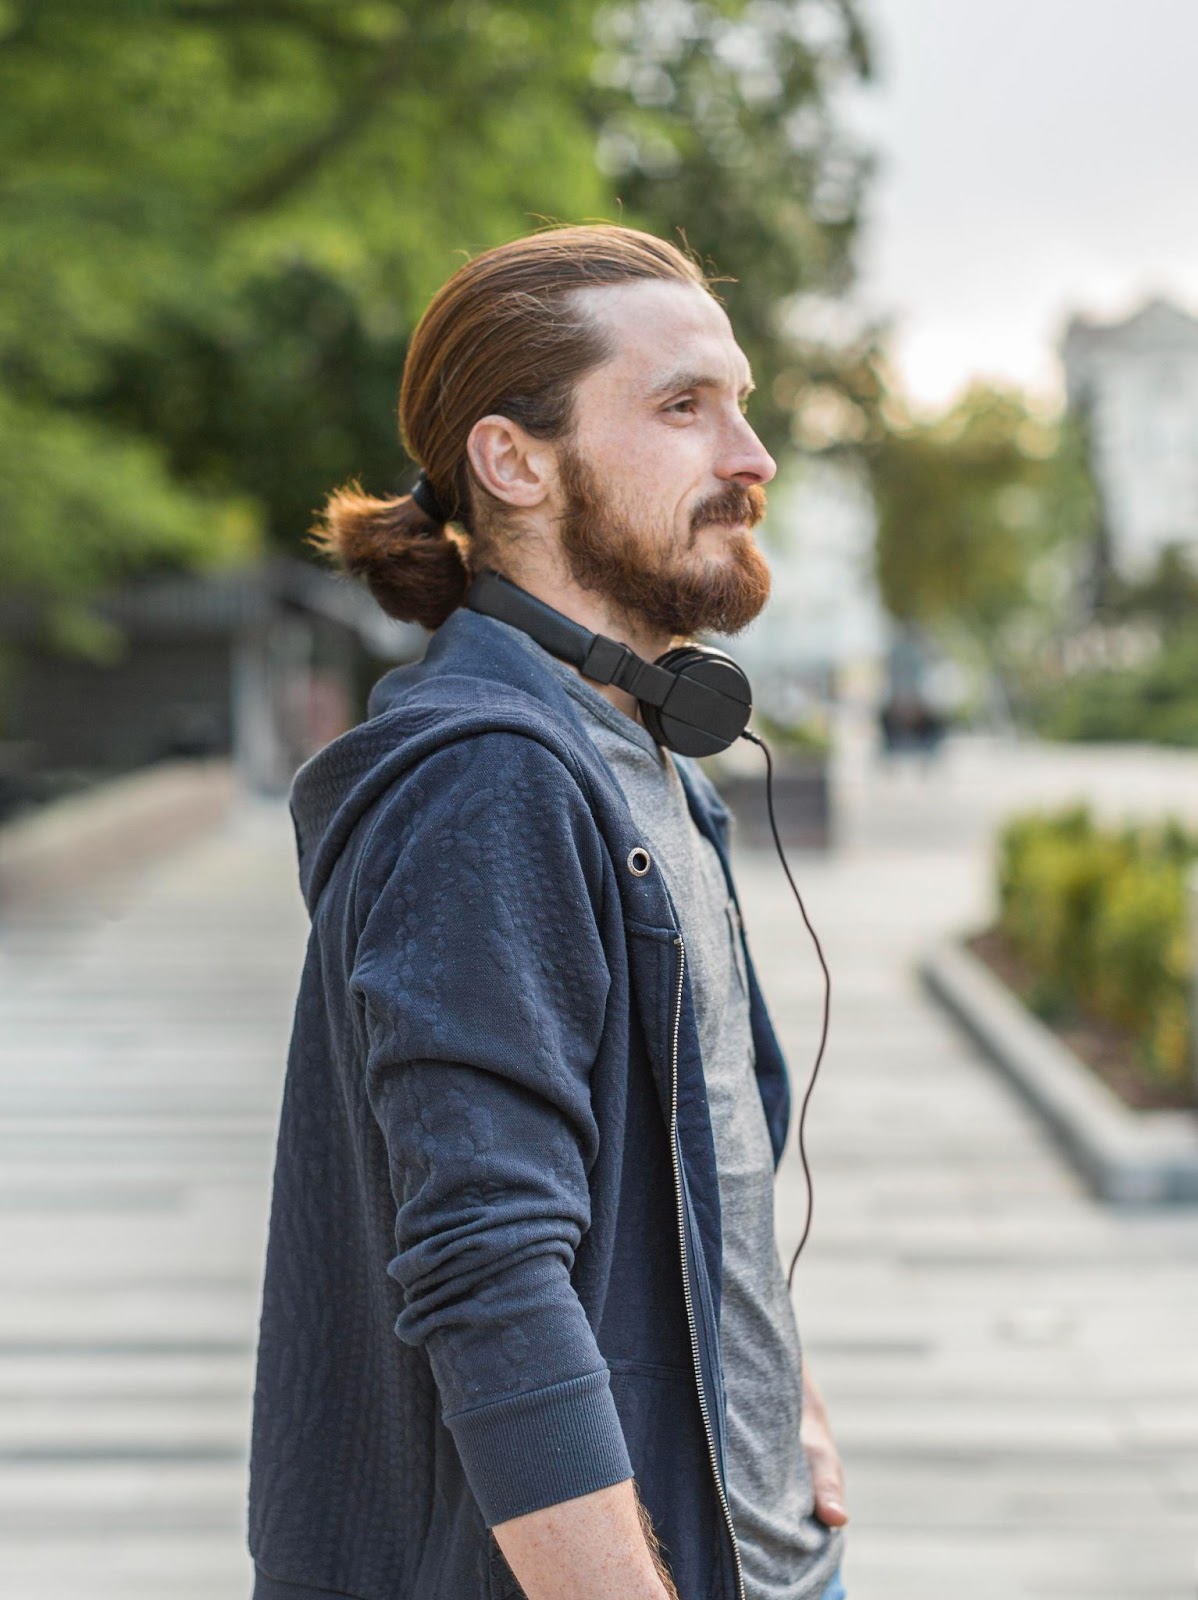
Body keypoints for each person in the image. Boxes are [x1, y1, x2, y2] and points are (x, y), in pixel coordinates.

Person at [247, 223, 848, 1600]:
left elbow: (711, 1165)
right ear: (515, 461)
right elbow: (486, 1273)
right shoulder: (490, 782)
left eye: (741, 404)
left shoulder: (638, 760)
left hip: (754, 1547)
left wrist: (786, 1401)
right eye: (683, 407)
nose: (749, 458)